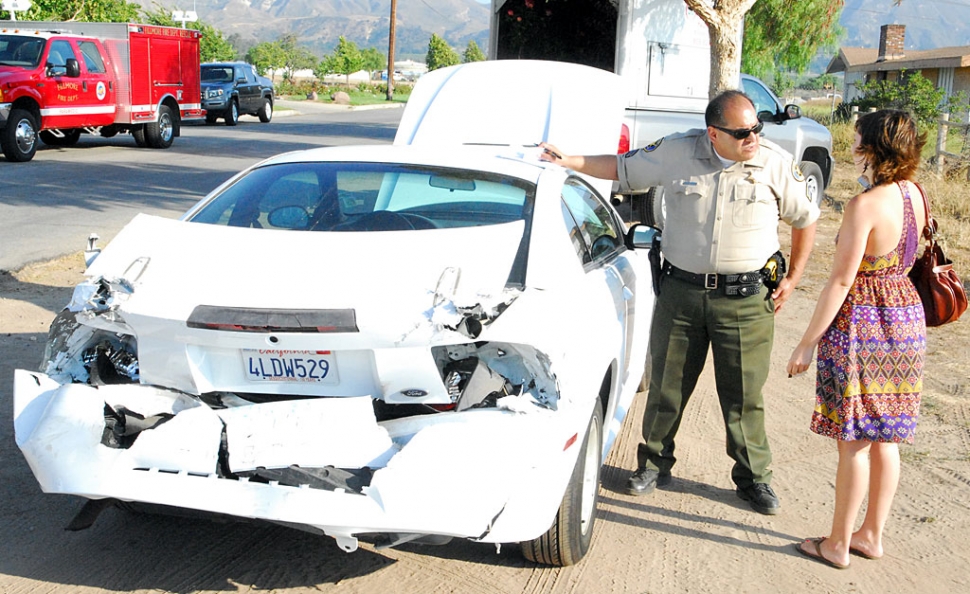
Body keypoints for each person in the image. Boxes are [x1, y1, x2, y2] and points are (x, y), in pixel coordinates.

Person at [540, 90, 819, 515]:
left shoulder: (774, 163)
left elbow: (806, 218)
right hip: (681, 293)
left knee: (744, 394)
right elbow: (621, 167)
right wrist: (570, 161)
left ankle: (753, 479)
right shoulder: (677, 151)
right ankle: (653, 464)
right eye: (743, 132)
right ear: (713, 133)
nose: (753, 138)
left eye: (757, 128)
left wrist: (795, 276)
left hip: (745, 300)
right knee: (667, 386)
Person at [787, 109, 926, 569]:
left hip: (866, 322)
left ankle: (838, 544)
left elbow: (841, 282)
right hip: (905, 316)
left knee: (854, 442)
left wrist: (807, 341)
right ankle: (871, 536)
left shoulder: (864, 205)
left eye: (859, 137)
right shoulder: (914, 195)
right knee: (887, 439)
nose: (853, 143)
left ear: (874, 149)